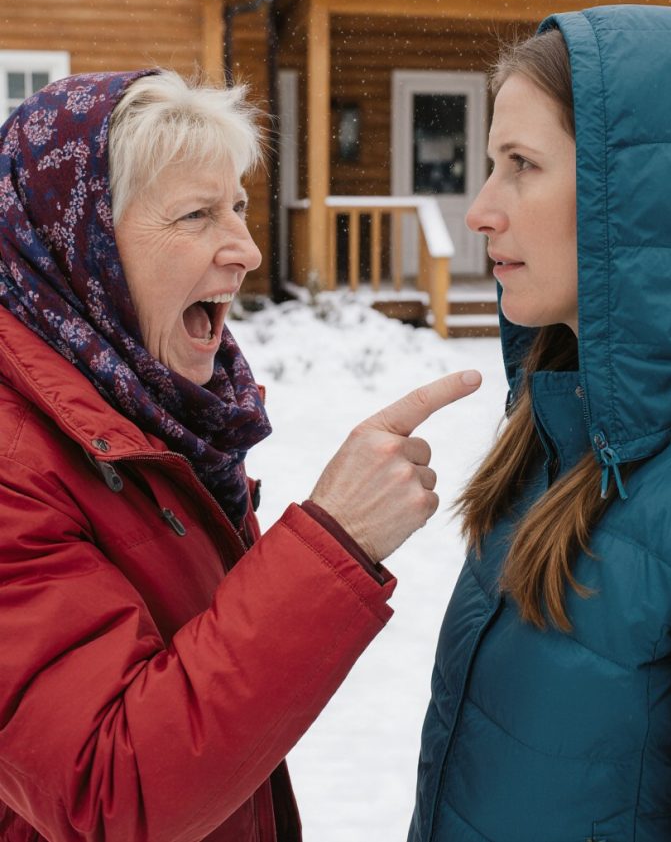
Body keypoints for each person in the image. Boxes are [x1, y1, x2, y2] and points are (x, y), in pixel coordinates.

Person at [0, 69, 481, 842]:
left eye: (240, 206)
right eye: (196, 214)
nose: (248, 250)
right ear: (78, 242)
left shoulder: (147, 406)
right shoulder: (16, 459)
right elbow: (109, 790)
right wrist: (335, 541)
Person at [408, 4, 671, 842]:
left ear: (644, 202)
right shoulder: (557, 435)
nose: (481, 209)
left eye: (522, 165)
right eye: (493, 163)